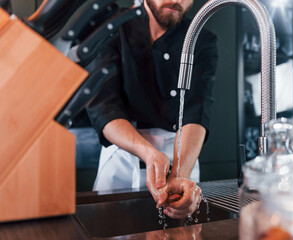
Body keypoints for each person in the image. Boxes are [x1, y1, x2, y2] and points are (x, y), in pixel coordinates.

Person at [86, 0, 218, 219]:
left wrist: (178, 175)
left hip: (181, 155)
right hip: (122, 155)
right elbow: (104, 107)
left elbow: (196, 111)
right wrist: (149, 153)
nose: (177, 0)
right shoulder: (112, 26)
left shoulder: (201, 38)